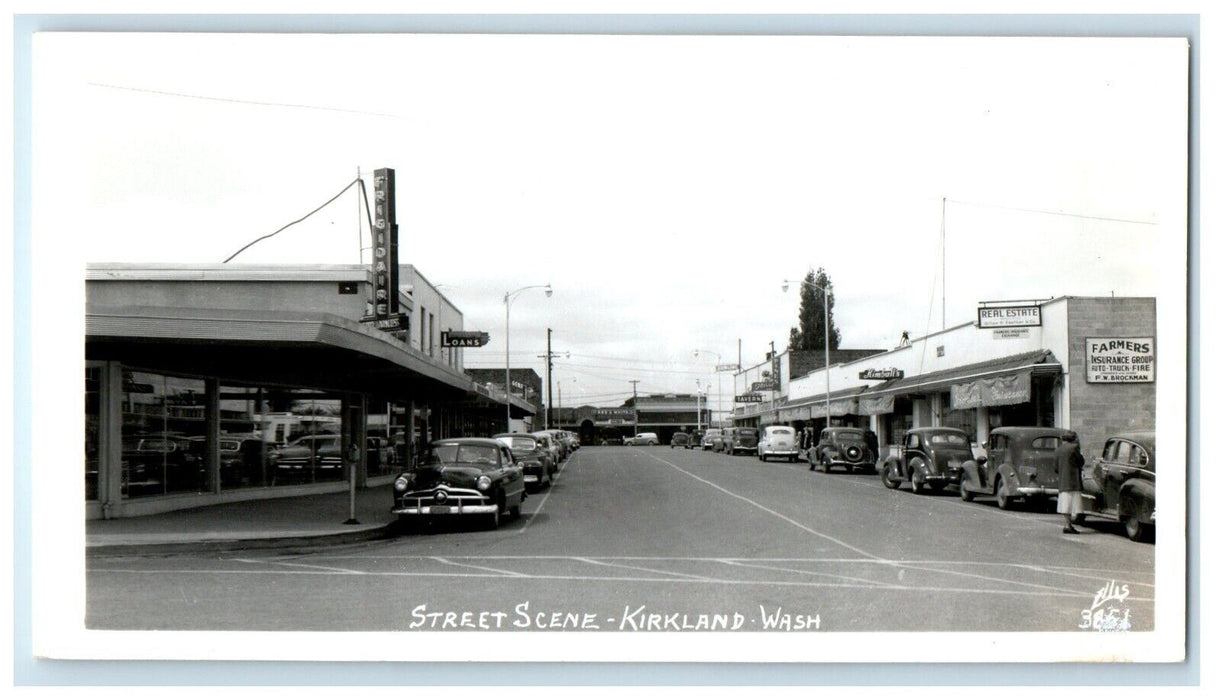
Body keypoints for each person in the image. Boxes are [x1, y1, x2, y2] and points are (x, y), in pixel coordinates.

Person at [1056, 431, 1086, 534]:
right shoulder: (1074, 448)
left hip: (1063, 480)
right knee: (1072, 503)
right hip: (1073, 479)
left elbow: (1055, 467)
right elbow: (1081, 462)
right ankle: (1068, 526)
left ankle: (1067, 524)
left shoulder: (1058, 449)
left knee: (1065, 504)